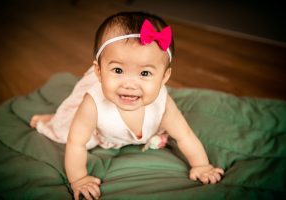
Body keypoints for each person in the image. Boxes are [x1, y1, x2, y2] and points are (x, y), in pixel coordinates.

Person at [30, 11, 224, 200]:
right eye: (117, 70)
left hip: (130, 127)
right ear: (98, 71)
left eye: (145, 73)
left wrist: (201, 165)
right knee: (67, 129)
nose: (130, 84)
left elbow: (185, 135)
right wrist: (79, 179)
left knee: (166, 127)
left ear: (164, 77)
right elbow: (76, 143)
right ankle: (50, 119)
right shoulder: (93, 103)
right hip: (100, 132)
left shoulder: (163, 104)